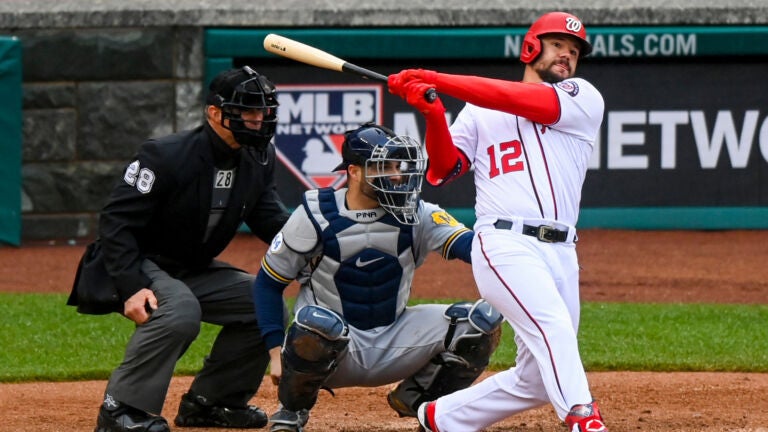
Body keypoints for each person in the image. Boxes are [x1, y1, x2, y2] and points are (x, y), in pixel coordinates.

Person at [387, 11, 608, 432]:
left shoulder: (583, 97)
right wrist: (433, 113)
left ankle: (441, 416)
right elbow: (443, 169)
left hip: (562, 251)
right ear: (531, 47)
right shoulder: (479, 111)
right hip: (505, 243)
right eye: (558, 43)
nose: (567, 54)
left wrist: (435, 79)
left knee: (536, 379)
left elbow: (519, 100)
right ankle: (583, 416)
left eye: (575, 50)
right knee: (553, 327)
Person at [70, 66, 290, 432]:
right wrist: (130, 285)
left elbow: (270, 219)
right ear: (215, 113)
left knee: (262, 302)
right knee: (179, 310)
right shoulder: (165, 155)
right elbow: (115, 222)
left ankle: (213, 403)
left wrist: (317, 244)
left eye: (262, 111)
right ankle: (121, 410)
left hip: (190, 266)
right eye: (247, 110)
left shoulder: (258, 158)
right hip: (138, 262)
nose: (257, 120)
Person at [251, 123, 503, 432]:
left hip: (395, 337)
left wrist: (514, 247)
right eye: (384, 166)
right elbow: (268, 283)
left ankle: (417, 401)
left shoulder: (417, 213)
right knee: (316, 325)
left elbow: (471, 247)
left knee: (481, 323)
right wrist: (276, 353)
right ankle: (293, 409)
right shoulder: (315, 214)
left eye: (397, 165)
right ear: (354, 172)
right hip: (332, 350)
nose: (396, 175)